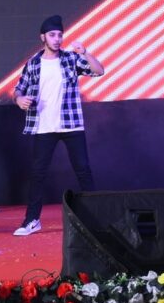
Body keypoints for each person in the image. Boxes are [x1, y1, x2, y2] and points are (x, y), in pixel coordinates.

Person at [11, 15, 104, 236]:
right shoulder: (33, 63)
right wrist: (19, 99)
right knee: (38, 173)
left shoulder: (71, 59)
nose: (57, 39)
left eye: (60, 35)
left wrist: (85, 52)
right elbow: (18, 88)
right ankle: (32, 220)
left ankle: (97, 219)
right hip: (44, 126)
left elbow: (99, 71)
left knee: (83, 170)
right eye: (52, 35)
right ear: (42, 37)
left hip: (71, 124)